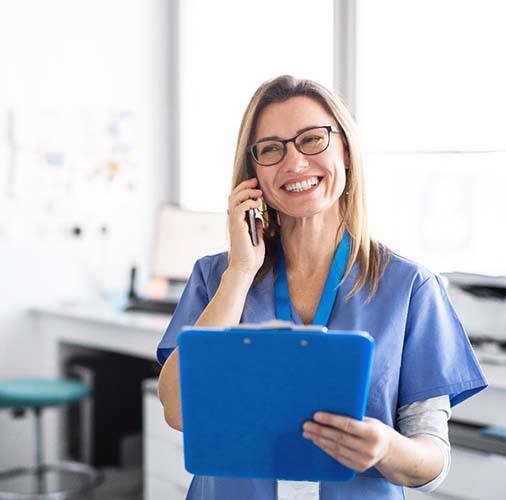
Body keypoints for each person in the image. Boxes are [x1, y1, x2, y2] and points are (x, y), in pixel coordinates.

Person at [156, 75, 487, 500]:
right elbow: (179, 410)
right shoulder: (217, 277)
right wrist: (240, 272)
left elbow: (432, 461)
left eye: (312, 139)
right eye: (271, 149)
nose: (293, 164)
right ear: (253, 172)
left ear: (345, 151)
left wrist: (385, 447)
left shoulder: (410, 288)